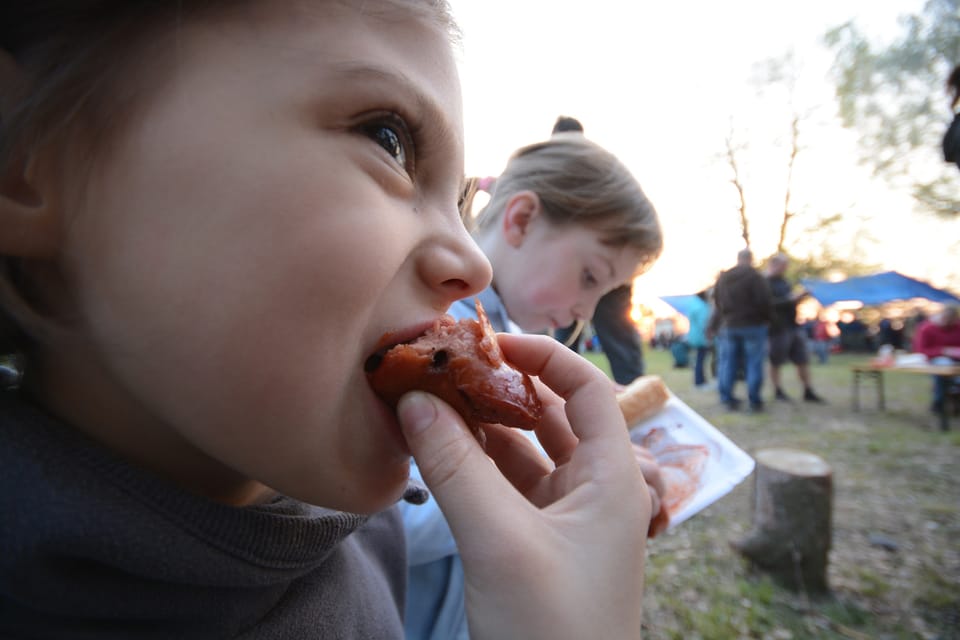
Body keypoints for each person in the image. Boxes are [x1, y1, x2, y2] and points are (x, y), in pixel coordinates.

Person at [0, 3, 655, 638]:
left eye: (457, 202)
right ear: (26, 155)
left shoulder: (363, 534)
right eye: (387, 139)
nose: (472, 268)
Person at [403, 133, 665, 640]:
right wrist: (534, 498)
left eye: (605, 293)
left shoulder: (516, 345)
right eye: (590, 276)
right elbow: (380, 518)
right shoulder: (429, 327)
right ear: (520, 220)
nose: (586, 313)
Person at [548, 116, 648, 385]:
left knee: (566, 344)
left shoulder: (556, 169)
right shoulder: (609, 167)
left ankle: (563, 397)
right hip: (610, 269)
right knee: (613, 339)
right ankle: (634, 391)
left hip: (588, 270)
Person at [710, 248, 773, 412]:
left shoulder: (724, 278)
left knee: (727, 362)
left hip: (729, 325)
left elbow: (717, 302)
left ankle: (726, 398)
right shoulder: (755, 276)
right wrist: (766, 319)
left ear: (738, 259)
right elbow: (764, 301)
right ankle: (754, 400)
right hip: (752, 325)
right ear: (750, 259)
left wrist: (715, 324)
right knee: (754, 362)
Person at [765, 254, 825, 403]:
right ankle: (778, 391)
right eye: (783, 266)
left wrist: (801, 297)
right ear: (774, 265)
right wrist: (790, 300)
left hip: (793, 326)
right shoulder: (765, 282)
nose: (785, 269)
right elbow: (767, 305)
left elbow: (790, 301)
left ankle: (808, 390)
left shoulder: (784, 282)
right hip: (777, 328)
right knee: (776, 361)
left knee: (802, 359)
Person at [911, 305, 960, 414]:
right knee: (943, 367)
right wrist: (943, 351)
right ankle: (939, 402)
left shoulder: (957, 327)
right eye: (946, 319)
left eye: (952, 320)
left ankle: (955, 394)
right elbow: (921, 351)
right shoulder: (926, 328)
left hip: (957, 359)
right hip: (935, 359)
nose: (948, 323)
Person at [686, 289, 713, 388]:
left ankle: (700, 381)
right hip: (701, 337)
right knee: (701, 359)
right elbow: (704, 323)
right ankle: (700, 382)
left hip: (694, 336)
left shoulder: (694, 304)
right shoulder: (702, 306)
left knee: (699, 359)